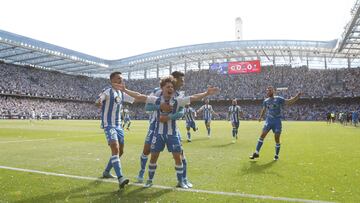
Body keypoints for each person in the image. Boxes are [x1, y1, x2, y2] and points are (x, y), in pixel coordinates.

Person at [114, 75, 219, 188]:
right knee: (153, 157)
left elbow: (193, 98)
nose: (170, 89)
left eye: (172, 87)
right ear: (162, 88)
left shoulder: (178, 101)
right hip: (157, 133)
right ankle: (149, 180)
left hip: (172, 134)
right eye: (168, 87)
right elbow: (140, 96)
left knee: (178, 157)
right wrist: (125, 90)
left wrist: (206, 93)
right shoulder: (156, 99)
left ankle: (181, 181)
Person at [136, 71, 193, 188]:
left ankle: (184, 179)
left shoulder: (180, 95)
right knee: (147, 150)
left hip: (172, 127)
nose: (183, 83)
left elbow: (181, 112)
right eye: (181, 80)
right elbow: (147, 107)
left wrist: (169, 117)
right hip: (154, 125)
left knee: (180, 154)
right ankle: (142, 172)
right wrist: (159, 106)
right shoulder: (158, 91)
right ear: (174, 79)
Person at [95, 71, 134, 189]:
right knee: (115, 149)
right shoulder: (107, 91)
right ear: (112, 81)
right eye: (118, 79)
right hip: (109, 125)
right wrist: (99, 101)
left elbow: (134, 99)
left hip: (119, 126)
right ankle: (120, 178)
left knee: (120, 151)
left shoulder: (121, 93)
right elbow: (99, 99)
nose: (120, 80)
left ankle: (106, 172)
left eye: (121, 79)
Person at [249, 86, 301, 161]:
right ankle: (256, 152)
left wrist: (297, 97)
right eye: (267, 91)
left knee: (276, 138)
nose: (268, 92)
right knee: (262, 135)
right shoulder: (266, 101)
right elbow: (264, 109)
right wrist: (260, 117)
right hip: (269, 120)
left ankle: (276, 155)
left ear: (273, 91)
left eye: (269, 91)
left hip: (277, 121)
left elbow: (288, 101)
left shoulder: (279, 99)